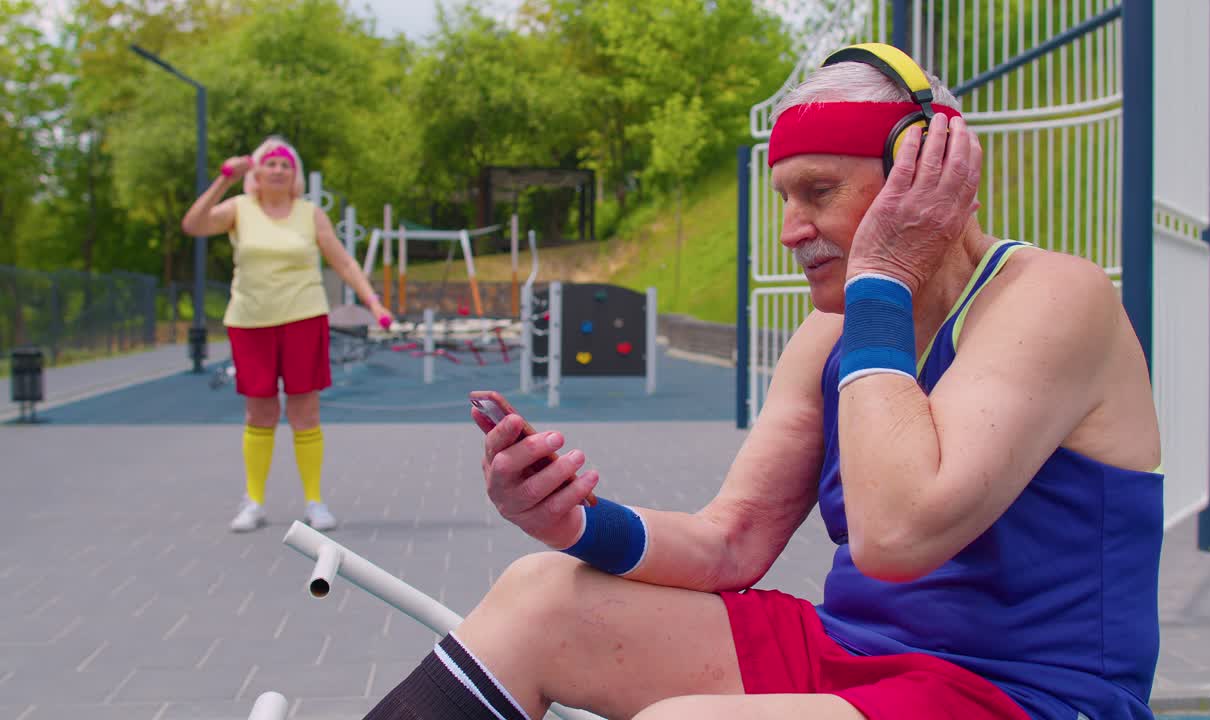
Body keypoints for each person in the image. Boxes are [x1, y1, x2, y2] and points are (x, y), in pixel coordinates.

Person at [363, 44, 1163, 720]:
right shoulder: (835, 331)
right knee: (541, 596)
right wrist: (575, 522)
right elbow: (731, 542)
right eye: (785, 197)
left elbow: (897, 535)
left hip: (1028, 695)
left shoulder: (1053, 297)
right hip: (859, 659)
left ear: (924, 173)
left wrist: (882, 273)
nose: (790, 230)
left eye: (819, 192)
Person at [181, 136, 391, 533]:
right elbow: (193, 225)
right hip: (250, 322)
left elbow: (343, 262)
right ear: (256, 172)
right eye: (270, 164)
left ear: (294, 174)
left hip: (303, 318)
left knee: (304, 411)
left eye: (285, 165)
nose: (277, 170)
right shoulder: (238, 209)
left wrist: (373, 303)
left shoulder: (310, 214)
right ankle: (254, 501)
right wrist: (223, 179)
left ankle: (315, 502)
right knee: (259, 411)